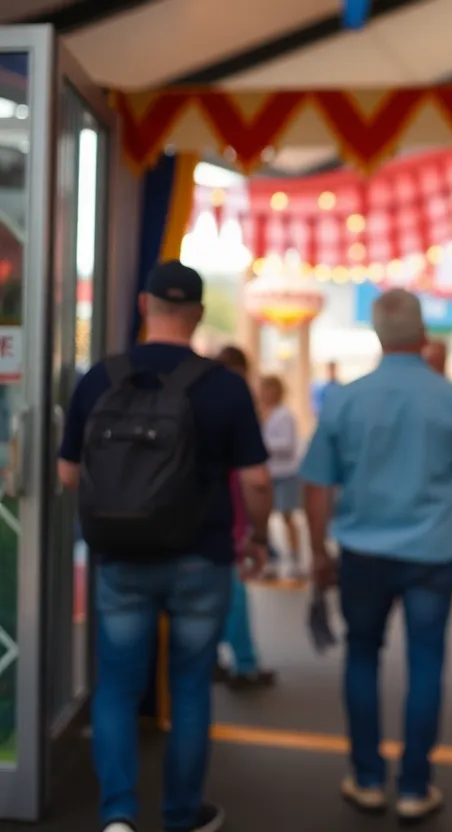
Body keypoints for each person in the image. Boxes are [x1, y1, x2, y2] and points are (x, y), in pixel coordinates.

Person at [58, 260, 271, 832]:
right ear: (198, 314)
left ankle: (118, 815)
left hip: (121, 558)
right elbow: (256, 480)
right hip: (201, 558)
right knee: (191, 687)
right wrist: (258, 537)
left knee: (116, 689)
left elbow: (68, 474)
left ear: (143, 306)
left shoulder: (100, 378)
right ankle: (181, 815)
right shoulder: (224, 385)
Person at [300, 288, 452, 823]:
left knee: (362, 655)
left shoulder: (344, 399)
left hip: (362, 553)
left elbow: (316, 484)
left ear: (378, 335)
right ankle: (414, 786)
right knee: (426, 663)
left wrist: (317, 551)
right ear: (423, 333)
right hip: (433, 554)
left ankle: (367, 779)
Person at [212, 345, 276, 691]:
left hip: (205, 516)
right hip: (231, 512)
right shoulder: (241, 407)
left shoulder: (200, 401)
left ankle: (215, 658)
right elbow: (257, 480)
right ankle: (245, 663)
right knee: (234, 591)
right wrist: (260, 534)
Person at [258, 375, 304, 579]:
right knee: (263, 517)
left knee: (287, 515)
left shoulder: (285, 415)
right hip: (269, 472)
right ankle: (271, 556)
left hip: (285, 473)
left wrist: (261, 446)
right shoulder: (263, 414)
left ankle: (295, 558)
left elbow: (287, 445)